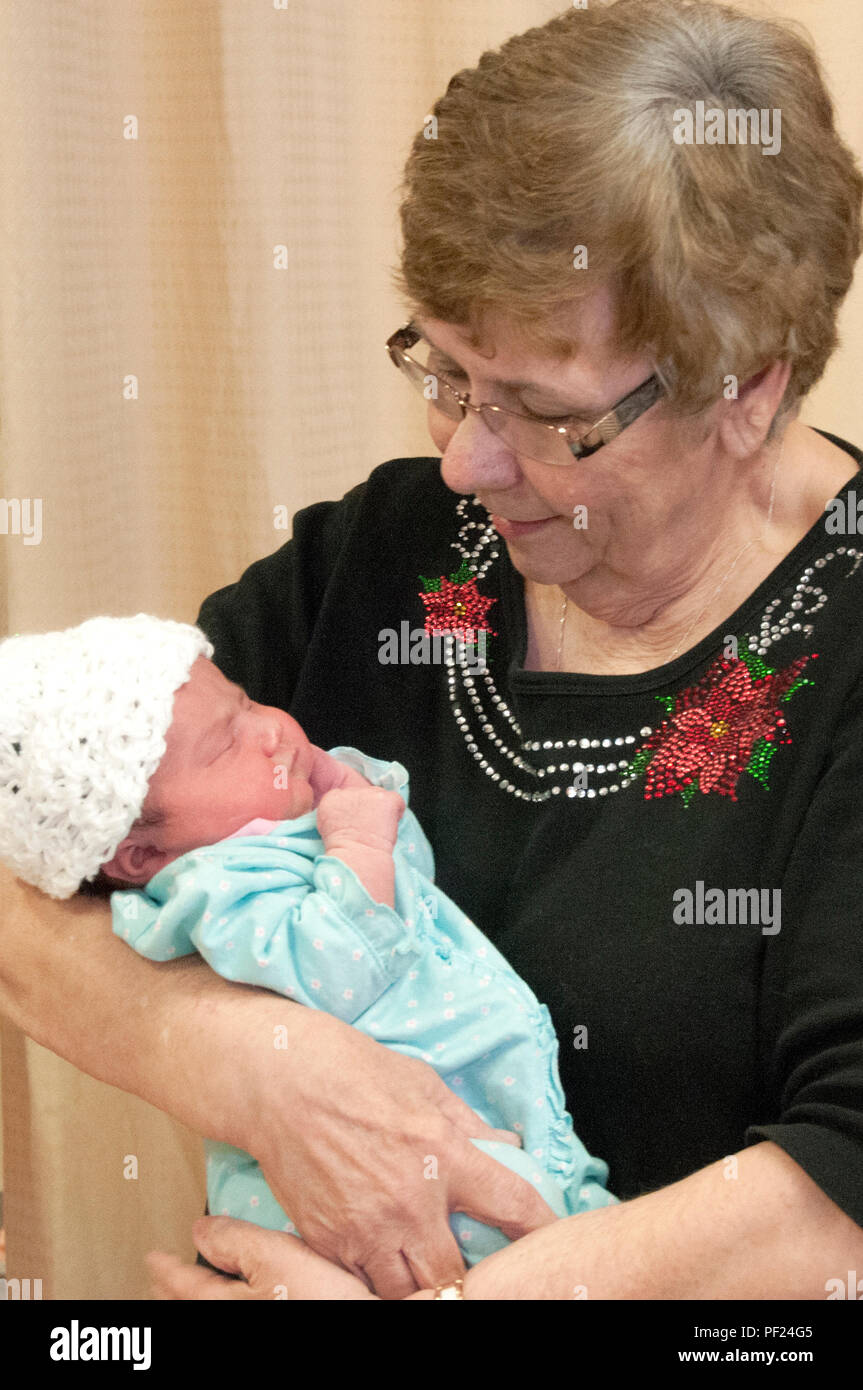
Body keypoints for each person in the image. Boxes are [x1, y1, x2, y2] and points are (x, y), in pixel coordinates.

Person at [3, 0, 863, 1300]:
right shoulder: (387, 554)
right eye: (447, 371)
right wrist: (253, 1067)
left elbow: (835, 1192)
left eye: (541, 412)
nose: (466, 459)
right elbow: (32, 854)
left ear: (744, 386)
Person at [0, 612, 617, 1271]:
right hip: (405, 1175)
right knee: (540, 1231)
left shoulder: (271, 833)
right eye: (222, 746)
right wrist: (354, 843)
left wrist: (345, 795)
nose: (268, 730)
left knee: (587, 1227)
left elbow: (405, 889)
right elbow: (336, 970)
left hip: (472, 1103)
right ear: (137, 855)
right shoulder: (215, 890)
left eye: (245, 703)